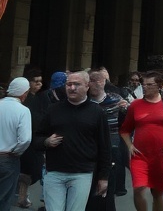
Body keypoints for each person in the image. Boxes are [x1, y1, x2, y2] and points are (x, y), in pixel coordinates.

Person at [34, 70, 110, 211]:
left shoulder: (97, 112)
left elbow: (104, 147)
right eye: (69, 84)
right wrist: (46, 142)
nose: (72, 88)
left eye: (77, 84)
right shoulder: (53, 109)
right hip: (54, 172)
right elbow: (36, 138)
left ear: (87, 86)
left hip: (82, 174)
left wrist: (103, 177)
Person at [120, 73, 163, 211]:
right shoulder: (136, 105)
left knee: (157, 192)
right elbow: (124, 130)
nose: (144, 87)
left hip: (161, 155)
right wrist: (129, 145)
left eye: (149, 85)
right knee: (138, 189)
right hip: (140, 155)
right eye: (143, 84)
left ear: (160, 86)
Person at [85, 71, 125, 211]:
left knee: (109, 185)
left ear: (102, 82)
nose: (91, 84)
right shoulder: (85, 102)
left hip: (112, 147)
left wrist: (125, 109)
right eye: (89, 81)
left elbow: (129, 117)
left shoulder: (115, 99)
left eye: (94, 81)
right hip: (90, 147)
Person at [0, 79, 33, 211]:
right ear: (24, 93)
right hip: (8, 158)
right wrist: (16, 151)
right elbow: (25, 139)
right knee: (4, 197)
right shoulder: (23, 110)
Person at [16, 70, 44, 210]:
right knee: (27, 170)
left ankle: (21, 195)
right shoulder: (27, 101)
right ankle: (21, 196)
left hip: (32, 140)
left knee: (29, 171)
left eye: (40, 81)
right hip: (27, 140)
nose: (39, 84)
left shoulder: (36, 98)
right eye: (36, 81)